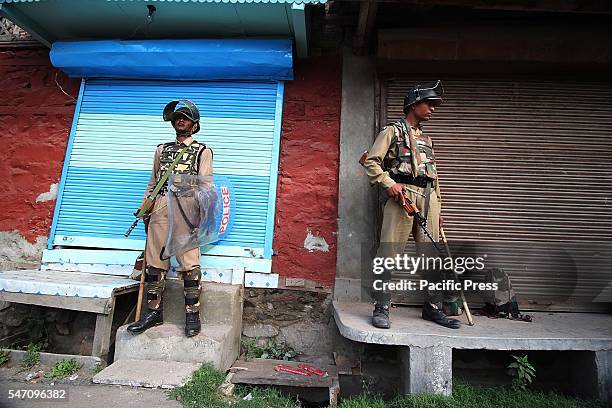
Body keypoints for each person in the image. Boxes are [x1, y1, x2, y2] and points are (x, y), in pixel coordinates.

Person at [361, 81, 461, 330]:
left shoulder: (427, 139)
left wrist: (439, 208)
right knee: (388, 255)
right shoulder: (391, 132)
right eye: (429, 104)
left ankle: (433, 308)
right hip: (401, 197)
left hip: (429, 199)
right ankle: (382, 307)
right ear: (414, 104)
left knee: (431, 258)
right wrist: (388, 183)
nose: (433, 109)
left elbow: (434, 175)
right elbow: (371, 162)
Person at [127, 100, 213, 337]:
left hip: (186, 207)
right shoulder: (161, 150)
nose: (180, 120)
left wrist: (201, 216)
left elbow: (205, 186)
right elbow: (153, 183)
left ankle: (192, 315)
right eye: (177, 117)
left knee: (189, 264)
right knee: (155, 263)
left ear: (194, 125)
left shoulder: (202, 150)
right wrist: (145, 208)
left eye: (185, 117)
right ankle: (154, 313)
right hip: (162, 205)